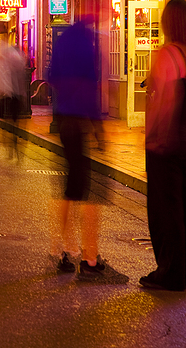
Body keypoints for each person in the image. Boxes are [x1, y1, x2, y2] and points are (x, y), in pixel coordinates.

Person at [47, 16, 126, 283]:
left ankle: (61, 247)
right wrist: (99, 129)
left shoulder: (64, 41)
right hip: (80, 120)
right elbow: (90, 87)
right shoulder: (86, 44)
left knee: (72, 185)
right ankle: (89, 257)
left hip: (65, 119)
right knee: (88, 190)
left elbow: (52, 77)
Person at [142, 0, 186, 291]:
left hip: (169, 140)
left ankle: (170, 272)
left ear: (170, 22)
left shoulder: (168, 54)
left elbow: (166, 101)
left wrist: (155, 136)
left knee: (165, 208)